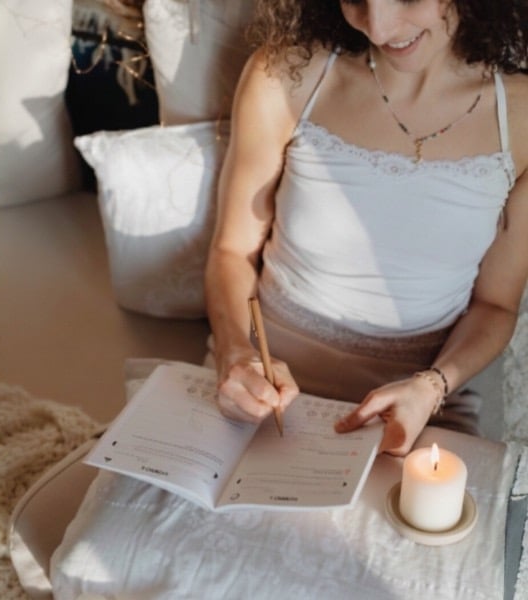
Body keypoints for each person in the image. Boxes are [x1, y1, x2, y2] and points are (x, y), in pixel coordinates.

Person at [204, 0, 528, 456]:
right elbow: (232, 252)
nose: (378, 28)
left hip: (421, 403)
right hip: (261, 384)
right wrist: (235, 352)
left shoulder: (520, 116)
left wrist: (432, 386)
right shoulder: (287, 77)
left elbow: (495, 305)